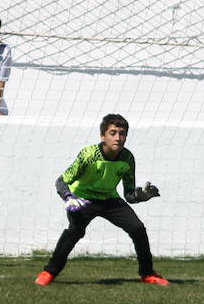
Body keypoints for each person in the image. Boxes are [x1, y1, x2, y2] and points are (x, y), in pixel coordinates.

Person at [35, 113, 166, 286]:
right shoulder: (89, 155)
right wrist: (68, 196)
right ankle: (49, 272)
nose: (118, 138)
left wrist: (141, 196)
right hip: (83, 200)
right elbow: (61, 181)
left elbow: (128, 195)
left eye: (122, 133)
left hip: (109, 199)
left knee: (137, 229)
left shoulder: (127, 158)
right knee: (75, 231)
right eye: (113, 133)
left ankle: (148, 274)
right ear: (103, 136)